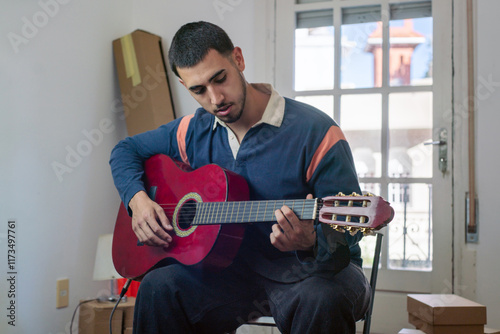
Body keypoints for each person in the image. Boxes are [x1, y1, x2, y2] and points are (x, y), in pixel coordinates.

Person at [110, 21, 370, 334]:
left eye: (220, 78)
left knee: (322, 298)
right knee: (159, 286)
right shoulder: (194, 130)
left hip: (309, 273)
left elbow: (348, 236)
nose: (215, 98)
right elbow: (125, 151)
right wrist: (137, 201)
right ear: (183, 86)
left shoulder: (315, 131)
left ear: (238, 59)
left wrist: (311, 240)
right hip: (227, 272)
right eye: (198, 90)